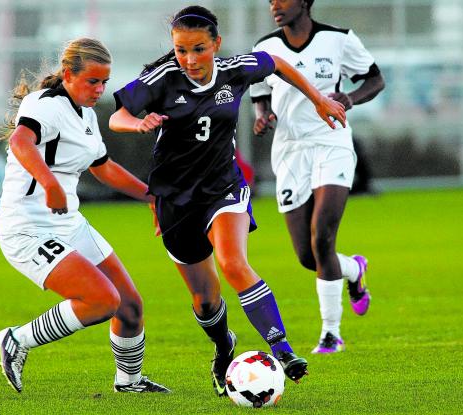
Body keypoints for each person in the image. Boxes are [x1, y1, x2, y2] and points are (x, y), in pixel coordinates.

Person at [109, 5, 346, 396]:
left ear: (216, 44)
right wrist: (138, 122)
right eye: (182, 50)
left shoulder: (236, 68)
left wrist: (318, 98)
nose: (189, 59)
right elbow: (117, 116)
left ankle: (282, 350)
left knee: (233, 263)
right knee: (205, 301)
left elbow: (276, 63)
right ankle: (224, 347)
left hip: (224, 187)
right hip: (176, 200)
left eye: (199, 49)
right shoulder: (163, 79)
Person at [0, 38, 170, 394]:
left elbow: (103, 168)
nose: (100, 89)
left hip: (68, 224)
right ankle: (17, 339)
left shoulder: (87, 115)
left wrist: (152, 197)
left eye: (105, 82)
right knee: (103, 300)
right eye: (93, 81)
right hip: (26, 228)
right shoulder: (44, 104)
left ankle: (130, 382)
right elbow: (20, 142)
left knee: (130, 306)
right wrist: (50, 185)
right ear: (68, 74)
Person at [251, 0, 385, 354]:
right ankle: (354, 270)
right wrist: (262, 116)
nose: (274, 5)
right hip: (290, 151)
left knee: (323, 236)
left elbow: (376, 79)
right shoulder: (265, 48)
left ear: (306, 2)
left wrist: (351, 99)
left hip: (332, 141)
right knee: (308, 256)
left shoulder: (338, 40)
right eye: (270, 1)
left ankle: (330, 333)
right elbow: (260, 94)